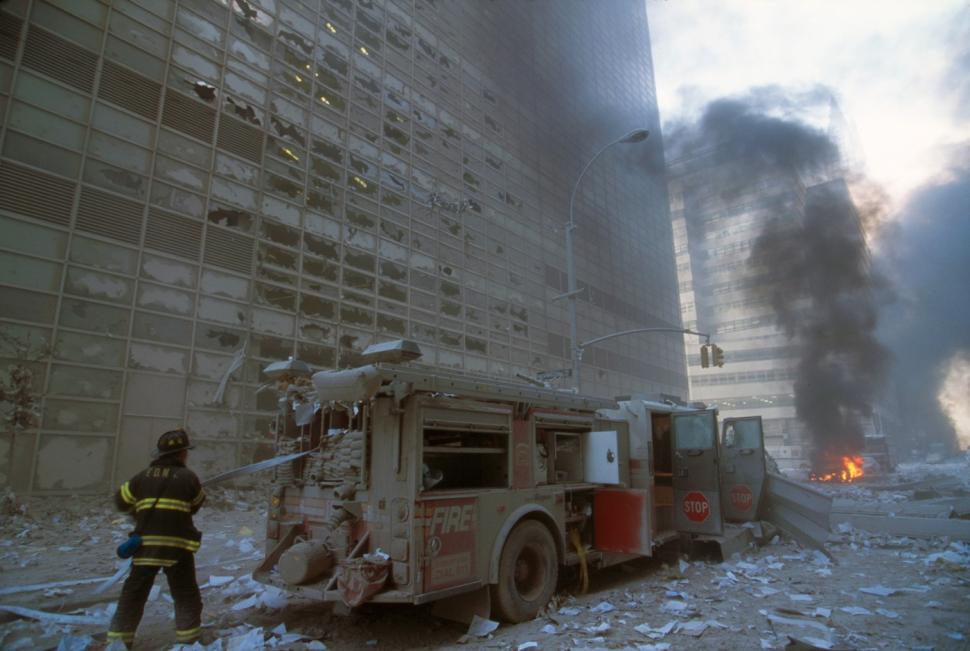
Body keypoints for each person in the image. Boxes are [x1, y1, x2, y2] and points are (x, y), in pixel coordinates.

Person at [107, 428, 206, 649]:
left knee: (133, 595)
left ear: (159, 454)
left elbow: (120, 501)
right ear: (182, 454)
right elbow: (196, 505)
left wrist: (140, 512)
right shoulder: (189, 478)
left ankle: (119, 642)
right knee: (185, 594)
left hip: (145, 548)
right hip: (177, 549)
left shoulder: (140, 478)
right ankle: (188, 641)